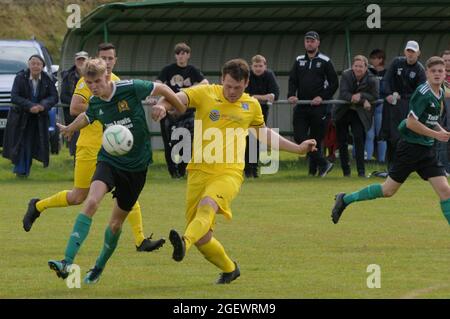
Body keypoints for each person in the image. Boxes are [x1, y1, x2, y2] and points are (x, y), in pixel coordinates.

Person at [153, 58, 318, 284]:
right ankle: (230, 269)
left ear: (246, 83)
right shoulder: (205, 92)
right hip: (198, 172)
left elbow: (265, 134)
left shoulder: (251, 106)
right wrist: (163, 105)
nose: (232, 92)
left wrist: (298, 148)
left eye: (237, 88)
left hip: (229, 173)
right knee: (204, 238)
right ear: (222, 79)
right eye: (228, 86)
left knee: (208, 205)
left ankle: (183, 242)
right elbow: (177, 97)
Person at [47, 58, 185, 284]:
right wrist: (71, 128)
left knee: (115, 224)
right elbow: (87, 116)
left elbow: (160, 88)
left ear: (107, 77)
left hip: (136, 168)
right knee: (90, 202)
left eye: (97, 81)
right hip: (109, 160)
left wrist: (177, 107)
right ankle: (66, 262)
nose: (94, 87)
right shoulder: (95, 102)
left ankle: (99, 266)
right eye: (89, 83)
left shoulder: (130, 88)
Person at [22, 43, 164, 253]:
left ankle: (140, 239)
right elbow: (74, 107)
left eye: (110, 59)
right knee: (78, 197)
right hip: (90, 147)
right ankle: (38, 205)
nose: (107, 62)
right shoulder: (87, 82)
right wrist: (104, 108)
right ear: (97, 59)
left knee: (128, 191)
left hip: (113, 150)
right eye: (103, 58)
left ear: (115, 61)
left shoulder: (118, 83)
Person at [331, 57, 450, 228]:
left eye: (440, 71)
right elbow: (410, 122)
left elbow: (429, 119)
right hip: (410, 149)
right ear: (427, 74)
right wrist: (436, 134)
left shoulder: (440, 91)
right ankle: (346, 198)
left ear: (445, 73)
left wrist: (440, 130)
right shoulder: (423, 93)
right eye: (433, 71)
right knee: (388, 191)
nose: (437, 74)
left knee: (445, 191)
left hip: (426, 150)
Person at [287, 31, 338, 177]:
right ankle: (324, 163)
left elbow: (334, 83)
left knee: (316, 138)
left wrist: (322, 97)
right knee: (299, 136)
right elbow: (293, 80)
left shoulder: (325, 61)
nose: (309, 43)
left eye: (312, 41)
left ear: (318, 43)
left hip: (319, 107)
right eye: (307, 41)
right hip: (302, 106)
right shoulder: (298, 60)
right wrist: (291, 95)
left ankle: (313, 171)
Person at [156, 42, 209, 178]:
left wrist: (189, 91)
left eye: (184, 53)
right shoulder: (168, 69)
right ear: (175, 55)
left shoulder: (192, 70)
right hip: (169, 111)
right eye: (178, 53)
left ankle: (182, 169)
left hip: (187, 111)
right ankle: (173, 172)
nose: (181, 56)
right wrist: (166, 94)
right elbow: (158, 84)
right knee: (169, 142)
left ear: (188, 55)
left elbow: (205, 83)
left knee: (187, 141)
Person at [2, 54, 58, 177]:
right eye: (33, 63)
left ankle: (24, 171)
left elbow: (54, 97)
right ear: (29, 64)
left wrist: (42, 106)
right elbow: (15, 96)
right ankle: (21, 171)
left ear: (42, 66)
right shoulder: (20, 77)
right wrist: (30, 106)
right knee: (21, 143)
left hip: (39, 118)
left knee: (32, 143)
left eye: (38, 64)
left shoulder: (47, 79)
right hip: (20, 117)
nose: (35, 66)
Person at [380, 40, 426, 169]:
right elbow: (386, 80)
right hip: (391, 105)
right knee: (389, 136)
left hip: (407, 107)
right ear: (405, 51)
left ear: (418, 53)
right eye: (408, 51)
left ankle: (405, 166)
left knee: (403, 136)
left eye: (413, 52)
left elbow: (420, 93)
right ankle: (391, 166)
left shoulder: (420, 70)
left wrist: (403, 97)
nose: (410, 54)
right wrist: (388, 94)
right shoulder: (396, 62)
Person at [335, 55, 379, 177]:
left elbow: (375, 96)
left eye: (361, 66)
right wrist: (360, 100)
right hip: (343, 111)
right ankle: (346, 172)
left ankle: (361, 172)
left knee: (359, 139)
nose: (358, 69)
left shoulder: (372, 79)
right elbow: (344, 93)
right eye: (356, 66)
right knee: (342, 141)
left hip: (359, 113)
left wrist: (361, 96)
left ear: (366, 67)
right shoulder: (346, 75)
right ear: (352, 66)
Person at [244, 54, 280, 178]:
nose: (258, 68)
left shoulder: (269, 75)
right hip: (246, 111)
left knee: (257, 139)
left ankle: (253, 170)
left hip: (261, 113)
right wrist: (264, 97)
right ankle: (247, 169)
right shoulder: (247, 76)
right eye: (255, 66)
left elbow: (276, 94)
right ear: (251, 66)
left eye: (260, 66)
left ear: (265, 66)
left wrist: (257, 97)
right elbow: (247, 95)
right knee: (247, 139)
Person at [59, 51, 89, 156]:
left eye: (83, 59)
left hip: (90, 114)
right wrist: (76, 103)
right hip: (74, 115)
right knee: (76, 142)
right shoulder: (68, 76)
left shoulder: (93, 74)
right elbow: (63, 95)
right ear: (75, 61)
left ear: (88, 61)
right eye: (79, 59)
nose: (81, 62)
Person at [365, 49, 387, 164]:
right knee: (369, 134)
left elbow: (387, 89)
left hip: (381, 106)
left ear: (380, 59)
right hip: (369, 106)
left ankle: (382, 160)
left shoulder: (387, 73)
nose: (371, 60)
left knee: (381, 134)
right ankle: (367, 159)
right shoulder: (368, 72)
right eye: (371, 58)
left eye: (374, 58)